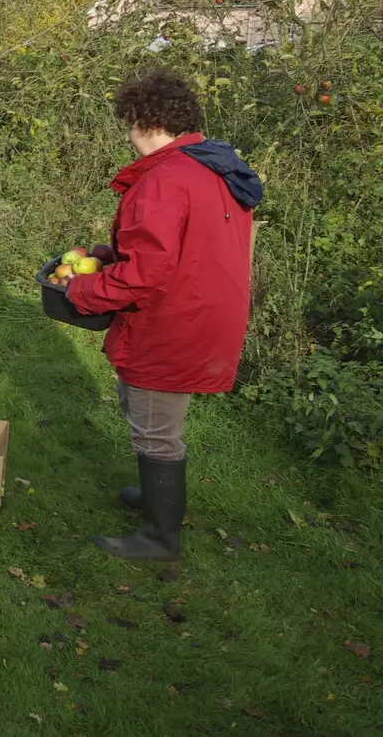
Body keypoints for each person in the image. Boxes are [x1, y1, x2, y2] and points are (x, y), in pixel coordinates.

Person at [65, 69, 262, 562]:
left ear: (139, 120)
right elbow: (186, 245)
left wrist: (83, 288)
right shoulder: (214, 167)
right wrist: (113, 252)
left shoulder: (163, 180)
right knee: (148, 413)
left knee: (155, 425)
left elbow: (145, 277)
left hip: (174, 318)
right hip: (204, 307)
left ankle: (158, 537)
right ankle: (155, 499)